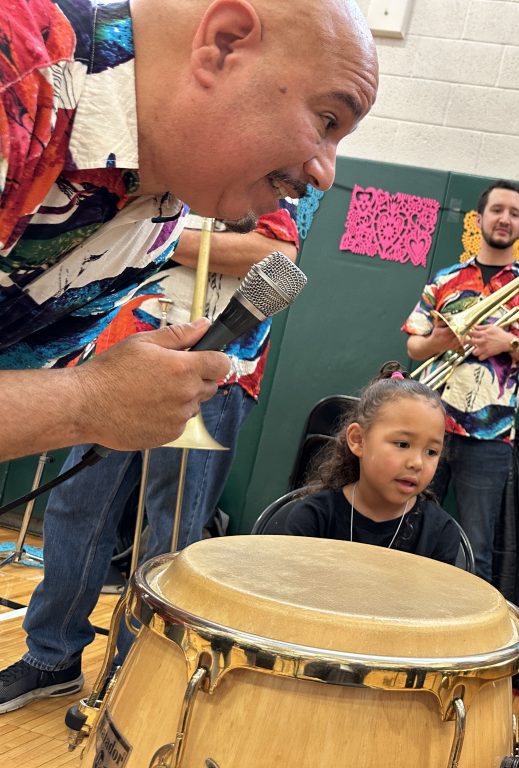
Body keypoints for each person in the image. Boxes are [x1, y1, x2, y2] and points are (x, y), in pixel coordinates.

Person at [0, 0, 378, 462]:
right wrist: (84, 401)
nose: (325, 174)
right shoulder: (18, 69)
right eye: (327, 120)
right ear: (224, 44)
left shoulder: (156, 225)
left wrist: (88, 400)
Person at [0, 208, 299, 713]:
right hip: (119, 359)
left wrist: (158, 237)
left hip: (215, 375)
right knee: (76, 506)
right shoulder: (161, 183)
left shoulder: (255, 178)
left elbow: (277, 257)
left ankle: (135, 666)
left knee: (173, 524)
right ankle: (52, 658)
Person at [403, 180, 519, 582]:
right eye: (497, 210)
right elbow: (413, 348)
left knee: (475, 548)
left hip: (490, 438)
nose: (505, 219)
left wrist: (508, 343)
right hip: (430, 427)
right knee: (408, 528)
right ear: (479, 218)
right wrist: (441, 339)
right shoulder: (445, 280)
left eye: (514, 213)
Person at [284, 362, 462, 566]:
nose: (417, 463)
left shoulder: (440, 533)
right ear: (358, 440)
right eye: (402, 444)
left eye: (431, 452)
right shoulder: (313, 517)